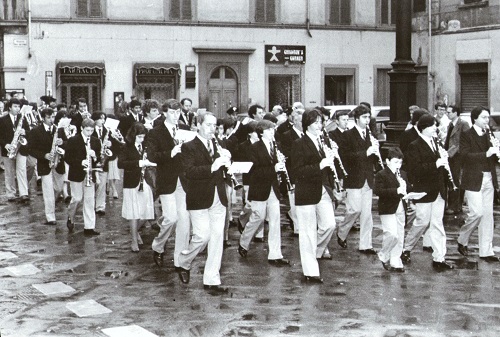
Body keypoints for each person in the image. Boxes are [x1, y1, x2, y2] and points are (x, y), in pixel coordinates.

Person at [177, 111, 230, 294]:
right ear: (198, 125)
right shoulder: (189, 146)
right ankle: (184, 262)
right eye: (208, 125)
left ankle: (212, 279)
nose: (212, 129)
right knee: (202, 236)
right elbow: (189, 172)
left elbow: (224, 171)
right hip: (199, 196)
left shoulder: (219, 144)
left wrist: (228, 163)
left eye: (214, 125)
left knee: (216, 239)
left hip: (218, 195)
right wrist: (212, 166)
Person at [401, 114, 454, 271]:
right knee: (422, 222)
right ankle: (406, 248)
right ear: (423, 128)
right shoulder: (414, 145)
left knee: (437, 224)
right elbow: (414, 171)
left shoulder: (436, 143)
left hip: (438, 189)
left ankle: (439, 258)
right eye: (432, 126)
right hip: (423, 190)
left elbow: (439, 166)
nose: (435, 128)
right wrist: (436, 164)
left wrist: (444, 165)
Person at [291, 109, 337, 283]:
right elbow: (297, 171)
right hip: (306, 191)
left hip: (323, 189)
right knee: (307, 232)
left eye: (321, 122)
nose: (321, 126)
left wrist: (331, 160)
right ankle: (310, 270)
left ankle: (315, 252)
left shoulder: (322, 141)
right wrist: (320, 164)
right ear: (308, 124)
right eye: (317, 122)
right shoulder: (299, 143)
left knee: (330, 225)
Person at [146, 100, 191, 269]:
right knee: (171, 218)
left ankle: (180, 259)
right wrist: (170, 153)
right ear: (164, 113)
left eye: (178, 112)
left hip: (183, 180)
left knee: (184, 221)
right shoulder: (155, 133)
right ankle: (158, 245)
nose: (175, 115)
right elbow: (152, 156)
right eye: (172, 112)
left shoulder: (185, 130)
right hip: (166, 180)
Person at [238, 119, 290, 266]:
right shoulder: (254, 148)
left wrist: (281, 165)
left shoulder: (276, 146)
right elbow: (254, 171)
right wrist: (274, 168)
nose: (272, 132)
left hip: (273, 188)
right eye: (269, 130)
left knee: (275, 220)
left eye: (273, 130)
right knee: (258, 217)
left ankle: (275, 254)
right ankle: (243, 242)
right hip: (259, 187)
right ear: (261, 133)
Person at [457, 106, 500, 262]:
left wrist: (496, 152)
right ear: (475, 118)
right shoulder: (467, 135)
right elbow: (464, 156)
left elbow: (492, 158)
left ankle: (486, 251)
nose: (486, 120)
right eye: (483, 117)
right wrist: (486, 154)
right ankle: (462, 239)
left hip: (489, 177)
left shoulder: (489, 134)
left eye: (488, 117)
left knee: (488, 216)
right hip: (473, 178)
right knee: (477, 213)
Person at [337, 105, 378, 254]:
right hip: (354, 178)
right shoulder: (348, 135)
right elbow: (345, 156)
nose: (367, 120)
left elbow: (371, 157)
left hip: (367, 178)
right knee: (354, 210)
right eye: (364, 117)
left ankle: (366, 245)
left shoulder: (369, 134)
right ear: (356, 119)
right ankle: (342, 231)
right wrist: (365, 153)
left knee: (367, 214)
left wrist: (375, 151)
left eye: (368, 117)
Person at [118, 122, 156, 252]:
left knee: (146, 211)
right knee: (134, 212)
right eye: (139, 137)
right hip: (132, 182)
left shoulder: (145, 146)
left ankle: (134, 231)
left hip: (144, 180)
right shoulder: (126, 147)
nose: (142, 139)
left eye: (143, 136)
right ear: (133, 135)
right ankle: (134, 239)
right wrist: (139, 163)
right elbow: (121, 164)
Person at [27, 108, 67, 225]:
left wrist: (62, 143)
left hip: (58, 163)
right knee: (48, 190)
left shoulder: (58, 130)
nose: (51, 120)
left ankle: (51, 204)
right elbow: (31, 149)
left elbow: (67, 143)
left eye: (53, 117)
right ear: (43, 118)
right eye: (49, 117)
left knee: (59, 189)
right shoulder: (36, 131)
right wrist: (44, 155)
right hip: (45, 164)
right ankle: (50, 216)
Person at [64, 118, 101, 236]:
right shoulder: (73, 140)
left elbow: (99, 160)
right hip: (77, 174)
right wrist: (81, 162)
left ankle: (89, 227)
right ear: (82, 128)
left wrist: (95, 157)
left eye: (91, 131)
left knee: (90, 200)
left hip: (90, 174)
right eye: (87, 131)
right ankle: (70, 216)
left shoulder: (95, 141)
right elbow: (67, 158)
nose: (89, 133)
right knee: (77, 198)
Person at [374, 148, 408, 272]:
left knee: (399, 235)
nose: (398, 166)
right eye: (395, 162)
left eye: (400, 163)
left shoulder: (402, 174)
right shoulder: (381, 174)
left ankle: (395, 260)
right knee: (391, 234)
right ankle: (384, 253)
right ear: (387, 161)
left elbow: (407, 188)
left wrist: (407, 191)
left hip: (400, 207)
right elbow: (378, 191)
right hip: (387, 207)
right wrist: (396, 190)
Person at [0, 98, 30, 203]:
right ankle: (11, 194)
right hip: (8, 149)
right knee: (9, 172)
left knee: (21, 170)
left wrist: (25, 132)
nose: (18, 109)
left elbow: (29, 132)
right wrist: (5, 144)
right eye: (15, 106)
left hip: (21, 148)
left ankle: (24, 193)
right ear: (9, 107)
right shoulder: (2, 120)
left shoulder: (23, 119)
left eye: (19, 107)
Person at [280, 108, 305, 235]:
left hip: (305, 174)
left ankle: (292, 216)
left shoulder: (306, 134)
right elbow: (287, 155)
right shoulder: (287, 136)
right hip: (293, 173)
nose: (304, 124)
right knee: (294, 201)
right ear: (295, 122)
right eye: (301, 121)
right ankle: (297, 228)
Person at [443, 105, 469, 215]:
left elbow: (465, 141)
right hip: (450, 156)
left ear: (455, 113)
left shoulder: (463, 124)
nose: (447, 114)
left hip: (457, 156)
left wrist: (453, 152)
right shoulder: (450, 124)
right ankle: (453, 205)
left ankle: (455, 206)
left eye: (449, 112)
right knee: (452, 179)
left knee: (455, 179)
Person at [91, 112, 116, 216]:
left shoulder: (107, 131)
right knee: (93, 184)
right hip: (93, 160)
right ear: (95, 120)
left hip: (103, 161)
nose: (103, 121)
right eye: (100, 119)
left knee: (102, 184)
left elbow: (115, 145)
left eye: (104, 118)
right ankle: (91, 204)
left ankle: (100, 206)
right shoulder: (90, 130)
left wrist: (111, 144)